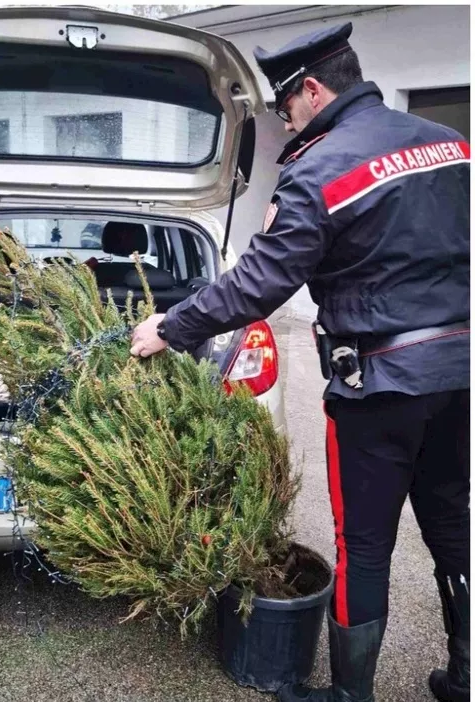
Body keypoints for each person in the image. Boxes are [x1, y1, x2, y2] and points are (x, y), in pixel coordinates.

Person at [127, 23, 469, 702]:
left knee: (366, 547)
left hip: (377, 387)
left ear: (313, 89)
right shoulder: (450, 143)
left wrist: (172, 325)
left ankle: (349, 696)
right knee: (453, 524)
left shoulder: (320, 168)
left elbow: (259, 282)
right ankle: (465, 676)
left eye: (284, 108)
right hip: (460, 371)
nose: (284, 123)